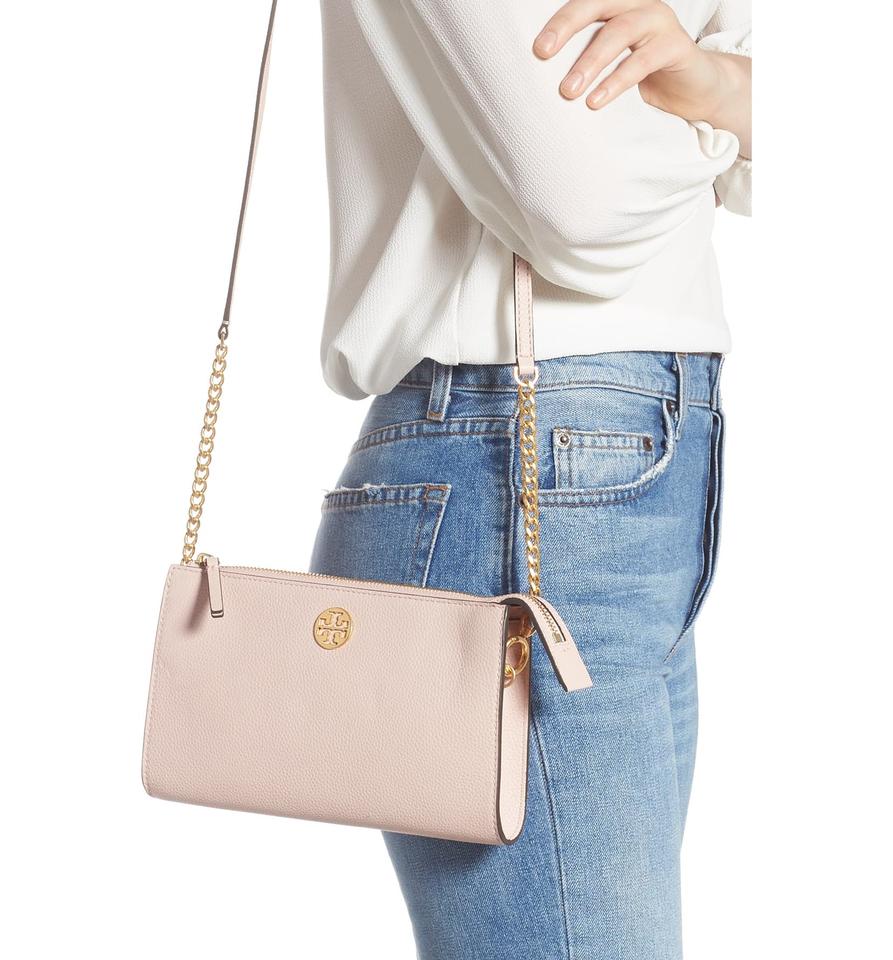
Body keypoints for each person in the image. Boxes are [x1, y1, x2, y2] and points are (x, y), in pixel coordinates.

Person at [311, 1, 751, 957]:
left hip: (620, 461)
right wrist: (717, 119)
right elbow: (577, 205)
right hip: (514, 459)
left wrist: (716, 89)